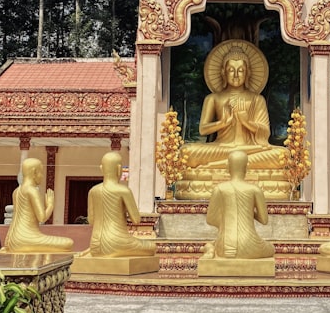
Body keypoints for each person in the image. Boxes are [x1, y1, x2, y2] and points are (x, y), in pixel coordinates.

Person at [181, 40, 287, 170]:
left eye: (241, 70)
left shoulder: (257, 99)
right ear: (223, 72)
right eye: (231, 70)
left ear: (247, 73)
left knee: (282, 155)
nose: (236, 75)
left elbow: (265, 133)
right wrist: (222, 123)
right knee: (186, 152)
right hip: (221, 148)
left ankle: (219, 165)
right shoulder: (213, 98)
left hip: (250, 148)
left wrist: (247, 122)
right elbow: (203, 130)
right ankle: (235, 164)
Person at [80, 152, 155, 258]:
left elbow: (91, 220)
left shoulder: (93, 191)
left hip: (95, 245)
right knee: (152, 247)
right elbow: (136, 219)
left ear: (101, 169)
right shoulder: (123, 191)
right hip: (118, 242)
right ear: (120, 169)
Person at [203, 150, 274, 259]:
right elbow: (264, 220)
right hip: (252, 245)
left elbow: (210, 219)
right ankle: (212, 247)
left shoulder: (219, 189)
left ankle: (211, 249)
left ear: (227, 167)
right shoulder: (255, 190)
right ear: (247, 167)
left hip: (225, 246)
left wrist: (226, 222)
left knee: (211, 244)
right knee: (271, 248)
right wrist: (249, 211)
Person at [1, 158, 74, 253]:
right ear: (34, 172)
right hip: (27, 238)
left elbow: (16, 218)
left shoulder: (16, 191)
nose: (42, 176)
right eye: (41, 173)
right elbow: (42, 218)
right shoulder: (32, 190)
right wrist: (50, 205)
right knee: (68, 243)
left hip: (12, 239)